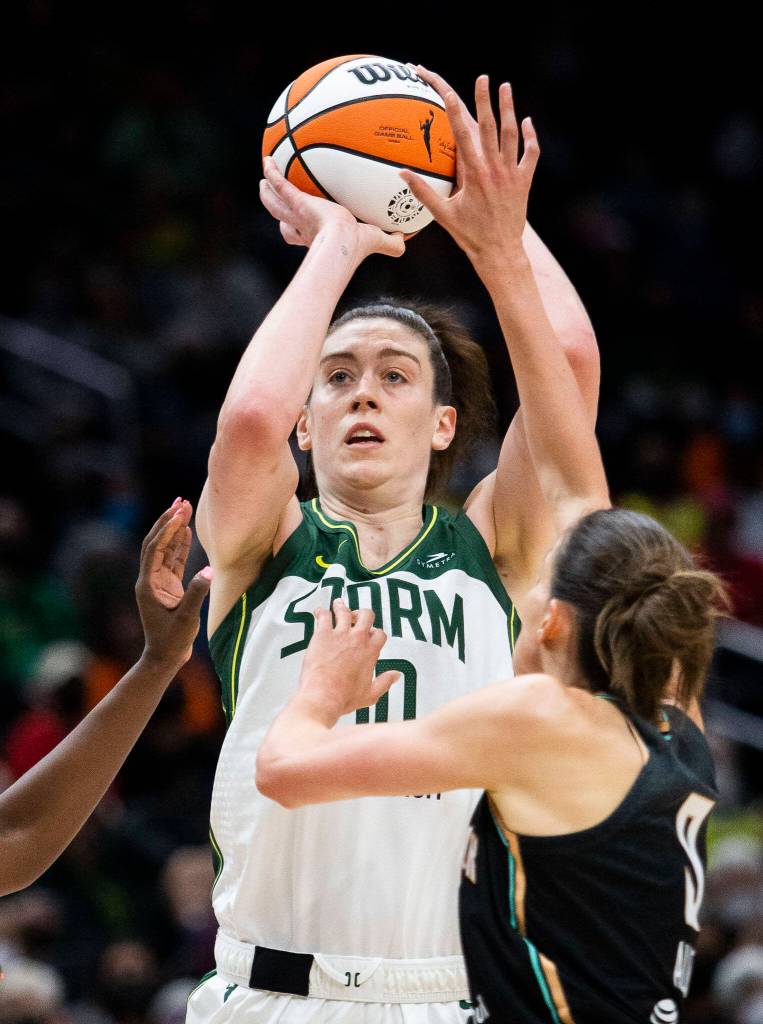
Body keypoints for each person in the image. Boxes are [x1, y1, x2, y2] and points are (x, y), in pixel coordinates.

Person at [255, 97, 727, 1022]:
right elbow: (572, 410)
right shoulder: (675, 720)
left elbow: (285, 768)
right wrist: (495, 232)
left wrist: (316, 695)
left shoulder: (540, 716)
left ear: (552, 617)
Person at [189, 68, 598, 1021]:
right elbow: (250, 417)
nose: (363, 392)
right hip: (269, 990)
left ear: (446, 423)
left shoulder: (494, 544)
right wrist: (337, 242)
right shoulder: (264, 542)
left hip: (444, 993)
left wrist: (487, 223)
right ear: (307, 421)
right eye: (335, 377)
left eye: (394, 375)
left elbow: (567, 369)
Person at [0, 499, 211, 898]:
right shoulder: (79, 686)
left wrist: (160, 662)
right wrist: (158, 663)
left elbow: (14, 835)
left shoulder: (193, 683)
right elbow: (17, 835)